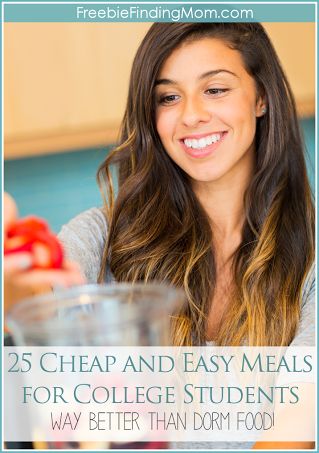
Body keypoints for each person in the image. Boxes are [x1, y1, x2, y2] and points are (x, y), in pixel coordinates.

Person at [4, 23, 315, 449]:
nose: (190, 115)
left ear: (260, 97)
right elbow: (43, 301)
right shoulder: (102, 237)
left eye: (216, 89)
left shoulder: (311, 258)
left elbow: (297, 423)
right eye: (168, 97)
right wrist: (15, 290)